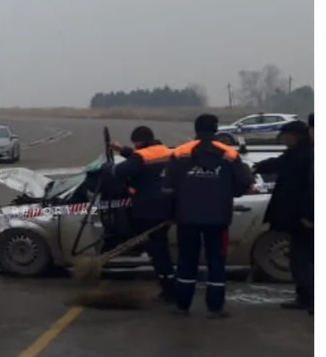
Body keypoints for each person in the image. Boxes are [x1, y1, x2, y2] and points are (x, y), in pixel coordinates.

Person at [162, 114, 253, 318]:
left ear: (195, 128)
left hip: (186, 218)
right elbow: (242, 184)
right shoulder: (229, 154)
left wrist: (171, 214)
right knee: (216, 261)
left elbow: (168, 188)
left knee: (186, 260)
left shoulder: (179, 153)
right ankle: (215, 307)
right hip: (218, 219)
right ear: (216, 129)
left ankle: (182, 305)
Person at [250, 118, 313, 313]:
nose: (285, 141)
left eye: (288, 137)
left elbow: (312, 190)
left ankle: (311, 299)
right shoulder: (295, 155)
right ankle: (304, 297)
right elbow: (277, 163)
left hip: (307, 219)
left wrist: (309, 216)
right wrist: (255, 167)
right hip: (297, 218)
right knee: (298, 259)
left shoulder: (309, 156)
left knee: (306, 260)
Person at [111, 126, 175, 301]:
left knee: (157, 251)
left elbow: (120, 171)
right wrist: (122, 150)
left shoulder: (141, 156)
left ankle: (169, 289)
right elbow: (143, 159)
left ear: (140, 142)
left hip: (148, 211)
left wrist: (107, 168)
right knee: (160, 247)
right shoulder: (168, 151)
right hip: (168, 209)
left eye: (136, 144)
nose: (136, 147)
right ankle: (168, 285)